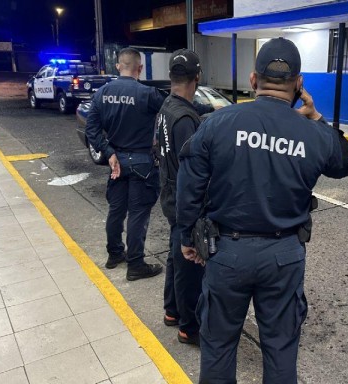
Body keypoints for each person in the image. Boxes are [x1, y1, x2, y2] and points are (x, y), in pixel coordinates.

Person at [176, 37, 348, 383]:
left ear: (252, 80)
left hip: (226, 252)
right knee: (280, 349)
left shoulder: (217, 123)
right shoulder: (313, 134)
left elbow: (189, 188)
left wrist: (188, 237)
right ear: (299, 83)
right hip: (284, 256)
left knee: (217, 347)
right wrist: (316, 117)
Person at [85, 47, 164, 281]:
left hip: (116, 162)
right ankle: (136, 264)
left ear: (118, 66)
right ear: (139, 68)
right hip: (142, 161)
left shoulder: (102, 93)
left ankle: (114, 255)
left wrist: (108, 151)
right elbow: (173, 109)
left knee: (116, 210)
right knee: (138, 213)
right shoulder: (147, 94)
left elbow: (91, 129)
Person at [156, 49, 205, 345]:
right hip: (182, 197)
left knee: (176, 255)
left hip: (168, 193)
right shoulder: (185, 118)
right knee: (188, 262)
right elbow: (194, 169)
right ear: (197, 77)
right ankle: (190, 326)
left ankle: (172, 310)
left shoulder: (166, 107)